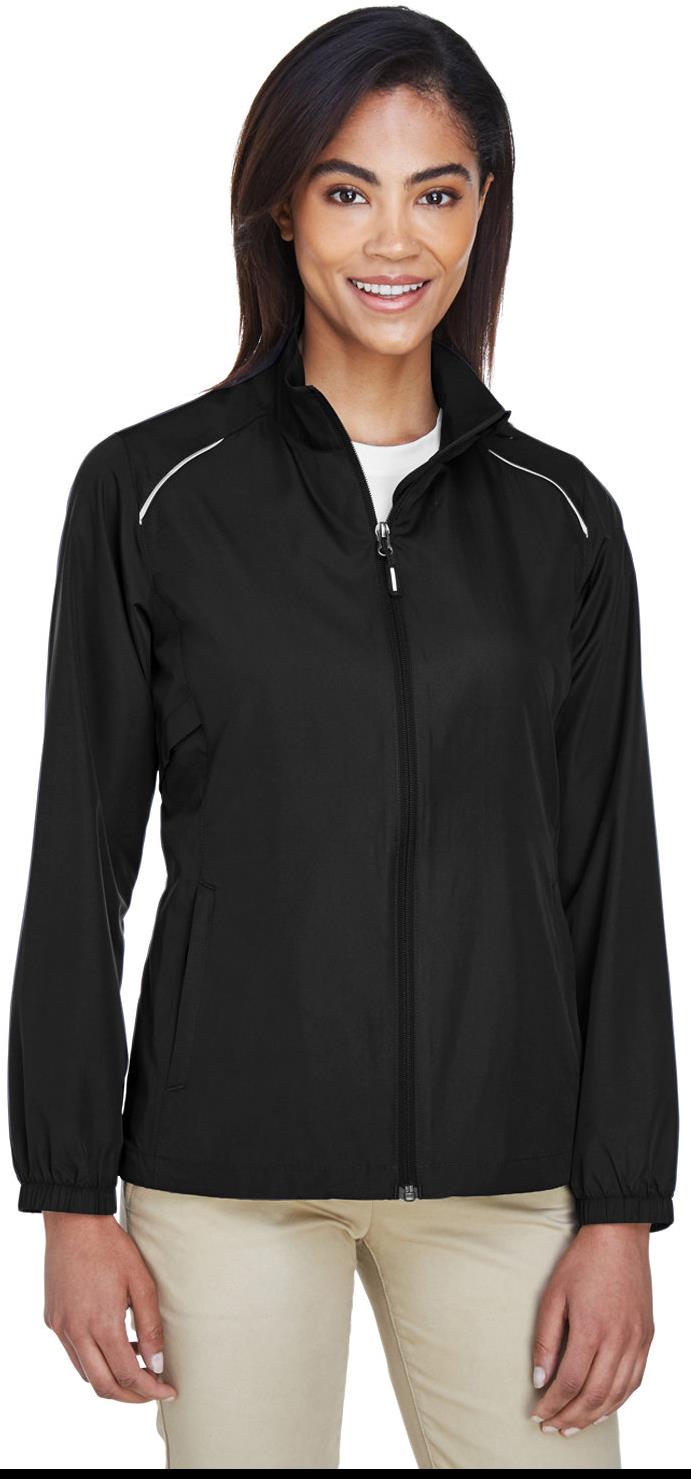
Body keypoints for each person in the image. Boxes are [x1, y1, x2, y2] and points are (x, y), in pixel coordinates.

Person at [7, 6, 679, 1470]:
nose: (394, 239)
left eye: (436, 191)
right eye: (346, 189)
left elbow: (610, 878)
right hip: (225, 1179)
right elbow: (76, 864)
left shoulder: (562, 519)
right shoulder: (151, 495)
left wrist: (623, 1211)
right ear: (281, 207)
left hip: (510, 1180)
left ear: (484, 208)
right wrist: (68, 1197)